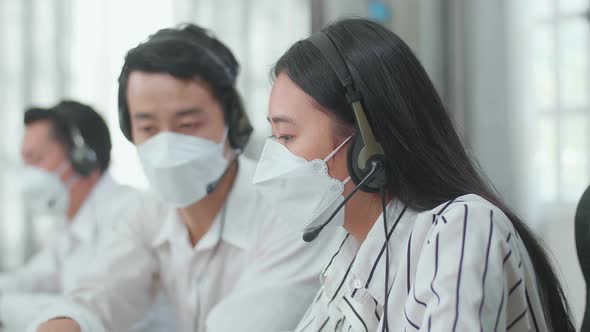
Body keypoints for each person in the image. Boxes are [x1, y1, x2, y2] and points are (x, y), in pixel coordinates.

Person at [253, 18, 575, 331]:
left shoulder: (462, 228)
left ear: (364, 148)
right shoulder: (348, 255)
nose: (273, 156)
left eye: (286, 137)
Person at [32, 24, 336, 332]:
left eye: (188, 125)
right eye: (148, 129)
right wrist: (67, 322)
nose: (167, 147)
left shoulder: (290, 213)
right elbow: (101, 295)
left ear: (233, 122)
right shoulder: (148, 212)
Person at [0, 101, 145, 331]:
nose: (28, 175)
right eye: (25, 163)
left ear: (83, 159)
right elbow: (30, 278)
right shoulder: (68, 225)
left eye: (36, 159)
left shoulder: (132, 213)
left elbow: (89, 309)